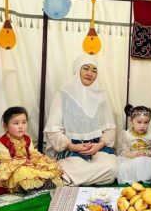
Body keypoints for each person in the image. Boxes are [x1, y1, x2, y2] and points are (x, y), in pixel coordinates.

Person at [43, 55, 118, 186]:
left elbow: (110, 127)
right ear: (77, 70)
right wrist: (72, 146)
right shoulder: (63, 94)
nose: (90, 74)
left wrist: (99, 145)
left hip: (97, 148)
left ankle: (72, 179)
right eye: (86, 68)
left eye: (94, 70)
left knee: (111, 169)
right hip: (71, 148)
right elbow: (53, 130)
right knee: (74, 167)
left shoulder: (101, 95)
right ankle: (84, 176)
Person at [0, 106, 63, 194]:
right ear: (5, 126)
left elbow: (33, 153)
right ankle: (28, 186)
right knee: (22, 171)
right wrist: (23, 163)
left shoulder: (27, 139)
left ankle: (41, 183)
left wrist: (33, 162)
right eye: (16, 123)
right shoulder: (2, 143)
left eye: (24, 122)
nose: (21, 126)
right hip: (9, 170)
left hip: (27, 164)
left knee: (45, 165)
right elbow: (6, 163)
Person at [117, 105, 151, 184]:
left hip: (147, 159)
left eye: (146, 122)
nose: (142, 126)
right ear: (131, 121)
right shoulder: (126, 134)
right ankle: (136, 177)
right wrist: (133, 155)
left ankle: (146, 176)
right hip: (132, 159)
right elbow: (122, 152)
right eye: (139, 122)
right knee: (127, 165)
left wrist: (150, 154)